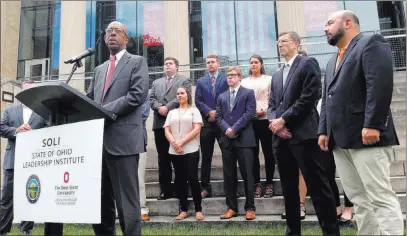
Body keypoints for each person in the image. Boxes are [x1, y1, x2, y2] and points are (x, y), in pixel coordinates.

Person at [319, 10, 403, 235]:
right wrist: (323, 131)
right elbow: (327, 99)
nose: (325, 28)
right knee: (359, 199)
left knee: (380, 196)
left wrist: (374, 124)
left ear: (347, 23)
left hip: (367, 136)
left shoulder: (370, 43)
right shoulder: (331, 60)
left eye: (329, 23)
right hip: (339, 141)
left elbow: (380, 85)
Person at [268, 31, 339, 236]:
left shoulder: (308, 63)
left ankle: (330, 231)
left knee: (318, 187)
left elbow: (310, 96)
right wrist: (276, 123)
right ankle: (293, 231)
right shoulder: (277, 74)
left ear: (297, 44)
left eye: (284, 41)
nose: (279, 44)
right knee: (289, 190)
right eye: (278, 41)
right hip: (281, 139)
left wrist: (284, 120)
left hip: (304, 135)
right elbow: (272, 103)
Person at [86, 21, 149, 236]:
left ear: (126, 39)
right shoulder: (98, 69)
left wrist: (102, 110)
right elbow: (89, 100)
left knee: (126, 202)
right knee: (100, 200)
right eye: (109, 31)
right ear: (105, 39)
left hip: (123, 141)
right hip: (98, 144)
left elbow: (137, 95)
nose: (112, 34)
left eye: (118, 31)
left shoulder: (137, 62)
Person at [0, 80, 46, 236]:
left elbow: (50, 130)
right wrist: (16, 130)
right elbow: (1, 127)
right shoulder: (10, 110)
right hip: (12, 160)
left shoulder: (42, 112)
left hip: (33, 161)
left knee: (31, 195)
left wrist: (36, 134)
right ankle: (2, 230)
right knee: (7, 197)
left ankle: (26, 229)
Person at [216, 66, 257, 221]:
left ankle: (250, 208)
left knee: (247, 174)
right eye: (228, 75)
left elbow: (249, 113)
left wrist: (235, 128)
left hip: (244, 139)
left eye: (233, 75)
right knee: (229, 175)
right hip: (227, 140)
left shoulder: (248, 93)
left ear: (240, 77)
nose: (230, 78)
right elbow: (218, 116)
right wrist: (228, 129)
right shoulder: (222, 96)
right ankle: (231, 207)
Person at [149, 57, 192, 200]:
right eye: (165, 63)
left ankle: (181, 190)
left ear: (177, 66)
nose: (167, 65)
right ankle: (165, 190)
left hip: (177, 124)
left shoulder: (184, 80)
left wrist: (167, 107)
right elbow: (151, 99)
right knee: (163, 159)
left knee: (179, 158)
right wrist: (159, 107)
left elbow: (185, 97)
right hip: (160, 125)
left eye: (170, 63)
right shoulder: (156, 82)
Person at [164, 87, 204, 221]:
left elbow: (197, 129)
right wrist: (175, 143)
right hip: (175, 150)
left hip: (191, 149)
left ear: (188, 95)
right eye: (178, 93)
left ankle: (198, 209)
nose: (180, 95)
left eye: (182, 93)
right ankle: (184, 209)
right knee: (179, 180)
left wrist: (181, 142)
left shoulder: (194, 111)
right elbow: (167, 130)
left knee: (192, 178)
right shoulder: (172, 112)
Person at [241, 54, 276, 199]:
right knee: (253, 154)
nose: (253, 64)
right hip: (251, 122)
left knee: (268, 153)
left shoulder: (269, 79)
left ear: (261, 64)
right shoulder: (244, 82)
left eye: (256, 62)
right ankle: (256, 184)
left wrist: (265, 110)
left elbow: (272, 98)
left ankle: (269, 183)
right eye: (251, 62)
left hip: (265, 119)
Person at [195, 54, 228, 198]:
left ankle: (230, 185)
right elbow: (198, 100)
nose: (210, 64)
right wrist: (209, 112)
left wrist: (218, 112)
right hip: (207, 123)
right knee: (206, 156)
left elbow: (228, 97)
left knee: (228, 155)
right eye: (208, 62)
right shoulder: (201, 81)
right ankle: (205, 188)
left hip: (222, 122)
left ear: (218, 64)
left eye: (213, 62)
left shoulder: (226, 79)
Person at [139, 95, 150, 221]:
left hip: (139, 141)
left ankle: (142, 208)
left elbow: (143, 115)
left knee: (139, 178)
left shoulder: (144, 95)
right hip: (119, 142)